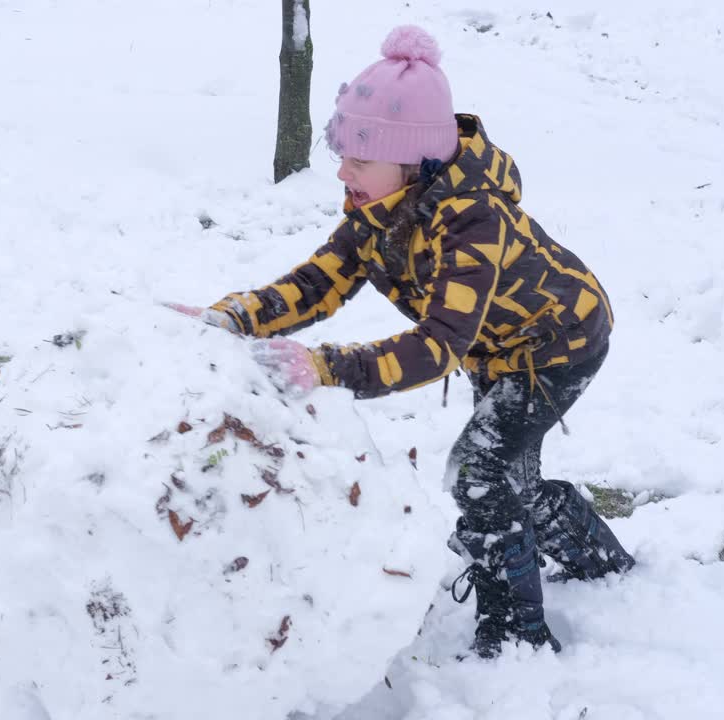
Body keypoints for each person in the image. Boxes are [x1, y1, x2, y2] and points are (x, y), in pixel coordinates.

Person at [168, 25, 634, 658]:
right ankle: (600, 564)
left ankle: (518, 636)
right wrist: (233, 317)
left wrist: (326, 368)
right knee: (502, 481)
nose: (342, 171)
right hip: (495, 348)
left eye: (359, 159)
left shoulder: (474, 222)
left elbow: (436, 346)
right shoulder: (379, 209)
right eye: (344, 154)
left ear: (413, 162)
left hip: (559, 343)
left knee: (477, 476)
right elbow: (317, 283)